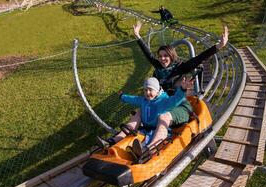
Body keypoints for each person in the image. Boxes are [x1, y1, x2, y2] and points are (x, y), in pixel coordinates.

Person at [97, 22, 229, 153]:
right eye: (160, 56)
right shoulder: (159, 68)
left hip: (178, 105)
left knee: (164, 117)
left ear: (171, 56)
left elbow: (198, 59)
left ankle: (148, 149)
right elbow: (148, 54)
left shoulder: (180, 68)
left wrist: (218, 46)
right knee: (139, 112)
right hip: (160, 104)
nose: (162, 58)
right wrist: (137, 35)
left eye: (165, 56)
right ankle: (114, 141)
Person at [98, 77, 192, 156]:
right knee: (133, 125)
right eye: (145, 90)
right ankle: (111, 142)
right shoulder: (143, 100)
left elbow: (176, 99)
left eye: (150, 90)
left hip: (157, 129)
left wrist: (183, 89)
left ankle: (148, 149)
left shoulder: (164, 101)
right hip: (145, 128)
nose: (147, 93)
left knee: (151, 138)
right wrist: (122, 96)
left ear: (157, 90)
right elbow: (132, 99)